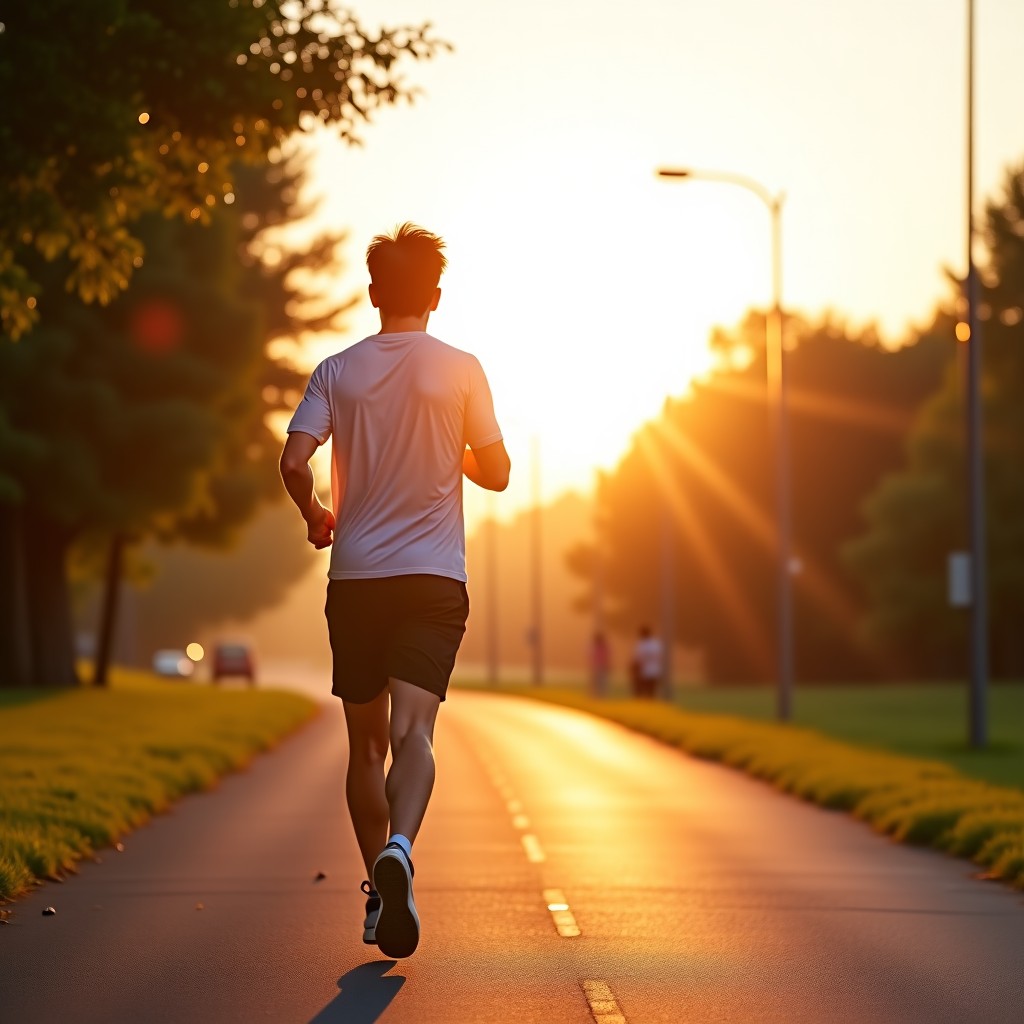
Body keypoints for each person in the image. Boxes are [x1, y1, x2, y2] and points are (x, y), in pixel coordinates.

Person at [279, 223, 510, 959]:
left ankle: (377, 897)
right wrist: (451, 450)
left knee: (364, 744)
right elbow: (499, 472)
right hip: (434, 578)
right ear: (435, 297)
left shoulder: (335, 371)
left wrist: (316, 514)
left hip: (357, 579)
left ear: (374, 293)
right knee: (416, 734)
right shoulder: (463, 369)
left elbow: (292, 461)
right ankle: (402, 850)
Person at [631, 625, 663, 699]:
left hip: (644, 672)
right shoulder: (656, 644)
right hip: (655, 671)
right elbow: (659, 658)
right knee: (652, 693)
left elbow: (637, 659)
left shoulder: (641, 644)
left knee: (643, 694)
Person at [589, 630, 610, 697]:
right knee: (597, 682)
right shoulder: (595, 647)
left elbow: (606, 657)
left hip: (602, 666)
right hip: (597, 666)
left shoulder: (604, 647)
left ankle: (601, 695)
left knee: (602, 682)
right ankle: (597, 695)